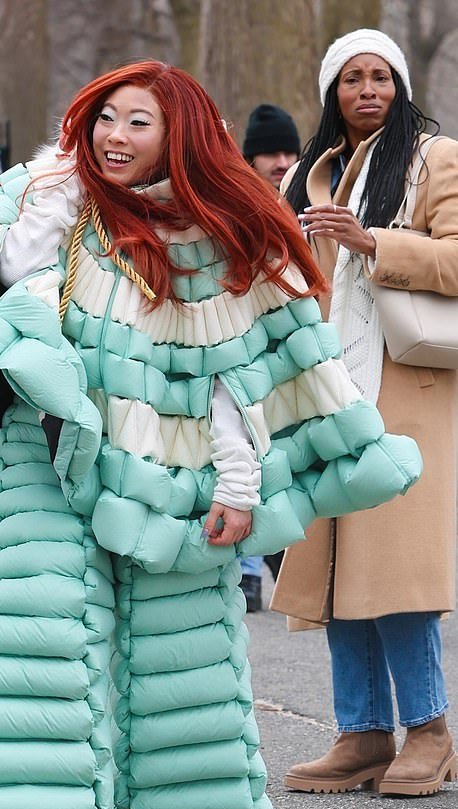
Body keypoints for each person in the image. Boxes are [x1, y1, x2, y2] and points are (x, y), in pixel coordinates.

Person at [0, 61, 421, 809]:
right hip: (46, 451)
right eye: (103, 118)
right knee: (36, 641)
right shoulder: (52, 199)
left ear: (182, 136)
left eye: (137, 122)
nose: (113, 137)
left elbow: (233, 384)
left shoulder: (217, 237)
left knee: (185, 677)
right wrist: (47, 199)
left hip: (176, 476)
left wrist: (240, 489)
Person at [272, 28, 458, 797]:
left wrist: (375, 242)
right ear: (331, 92)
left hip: (402, 391)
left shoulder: (434, 158)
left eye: (381, 76)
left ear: (400, 85)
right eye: (351, 78)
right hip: (325, 389)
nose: (368, 89)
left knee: (393, 570)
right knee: (337, 560)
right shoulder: (314, 175)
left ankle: (430, 730)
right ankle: (361, 733)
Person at [240, 104, 302, 609]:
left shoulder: (309, 198)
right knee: (243, 450)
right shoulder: (238, 201)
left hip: (291, 346)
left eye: (289, 151)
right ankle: (248, 573)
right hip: (243, 343)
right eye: (270, 153)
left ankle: (279, 562)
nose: (281, 162)